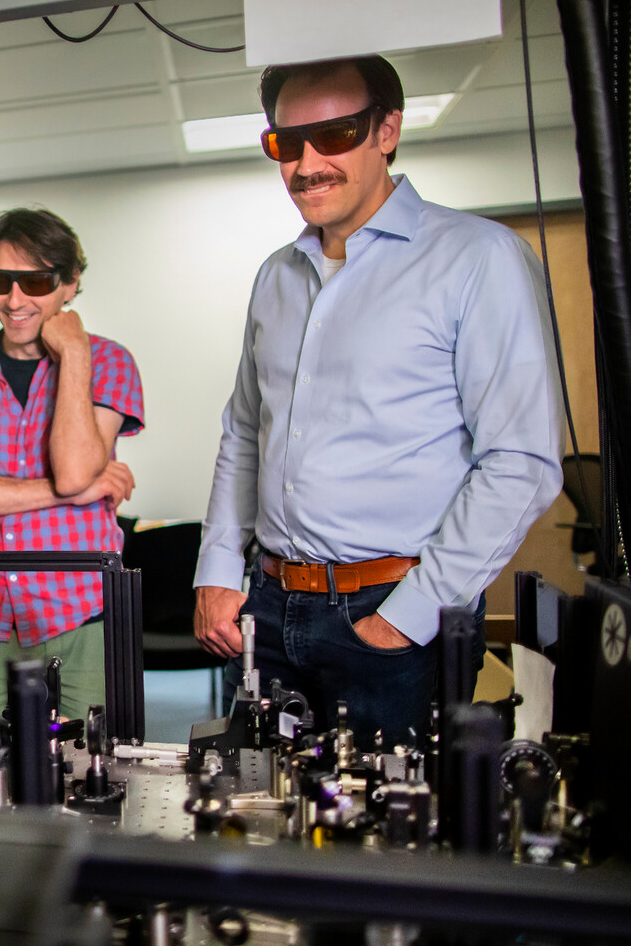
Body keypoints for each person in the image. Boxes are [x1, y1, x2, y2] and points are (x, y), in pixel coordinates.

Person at [192, 56, 563, 748]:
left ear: (386, 130)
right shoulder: (276, 274)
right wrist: (217, 570)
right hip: (269, 609)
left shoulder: (477, 257)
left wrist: (408, 616)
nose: (306, 164)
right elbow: (245, 431)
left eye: (334, 136)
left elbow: (521, 460)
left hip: (391, 616)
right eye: (286, 143)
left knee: (390, 846)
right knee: (265, 822)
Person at [0, 207, 144, 726]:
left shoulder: (108, 361)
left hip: (80, 617)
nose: (14, 300)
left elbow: (74, 468)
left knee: (90, 778)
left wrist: (75, 354)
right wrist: (66, 494)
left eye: (36, 281)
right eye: (0, 281)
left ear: (70, 284)